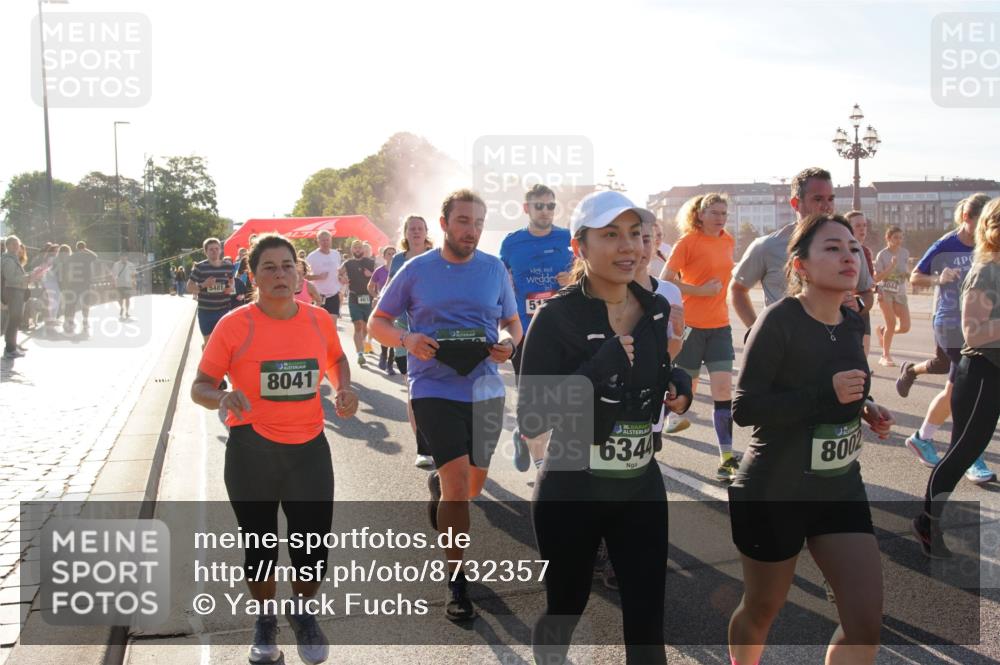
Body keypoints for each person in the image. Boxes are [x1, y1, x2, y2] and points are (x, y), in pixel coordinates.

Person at [517, 190, 692, 664]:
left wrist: (677, 383)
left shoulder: (654, 308)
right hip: (572, 489)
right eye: (610, 235)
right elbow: (531, 416)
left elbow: (655, 373)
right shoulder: (556, 317)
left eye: (635, 234)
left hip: (640, 486)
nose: (627, 246)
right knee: (566, 608)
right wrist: (596, 370)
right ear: (580, 247)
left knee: (647, 624)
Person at [727, 214, 893, 665]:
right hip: (775, 488)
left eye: (854, 248)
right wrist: (827, 393)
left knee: (865, 625)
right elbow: (746, 409)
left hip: (839, 486)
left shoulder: (854, 322)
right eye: (833, 248)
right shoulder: (778, 321)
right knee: (762, 608)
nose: (848, 256)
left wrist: (865, 406)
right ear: (800, 266)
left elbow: (848, 384)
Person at [191, 234, 358, 665]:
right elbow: (200, 386)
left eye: (288, 266)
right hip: (252, 451)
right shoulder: (234, 325)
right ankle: (265, 619)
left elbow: (337, 360)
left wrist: (344, 388)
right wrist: (222, 397)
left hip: (309, 450)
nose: (280, 274)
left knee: (312, 548)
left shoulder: (319, 320)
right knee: (260, 545)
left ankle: (302, 610)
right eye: (269, 267)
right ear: (253, 275)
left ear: (300, 272)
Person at [369, 189, 521, 622]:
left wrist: (509, 344)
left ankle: (440, 485)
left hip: (485, 389)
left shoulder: (494, 269)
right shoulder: (417, 270)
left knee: (470, 487)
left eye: (477, 222)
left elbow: (513, 322)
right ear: (444, 223)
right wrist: (407, 339)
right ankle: (457, 579)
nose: (470, 230)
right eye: (463, 221)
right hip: (433, 388)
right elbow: (379, 324)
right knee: (459, 488)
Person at [913, 197, 1000, 557]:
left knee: (965, 450)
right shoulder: (985, 271)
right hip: (982, 372)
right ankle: (927, 522)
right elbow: (973, 332)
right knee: (964, 452)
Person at [899, 193, 995, 484]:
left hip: (979, 324)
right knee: (959, 384)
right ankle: (969, 455)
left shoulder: (988, 245)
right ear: (967, 218)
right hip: (952, 322)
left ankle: (923, 437)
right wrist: (938, 279)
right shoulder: (946, 244)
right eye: (982, 221)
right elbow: (915, 277)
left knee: (955, 384)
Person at [730, 167, 875, 328]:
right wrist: (756, 331)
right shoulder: (767, 247)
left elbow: (866, 293)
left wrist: (859, 303)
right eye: (818, 199)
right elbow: (738, 290)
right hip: (785, 349)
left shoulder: (849, 246)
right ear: (795, 203)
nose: (826, 206)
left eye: (830, 199)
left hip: (834, 344)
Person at [659, 193, 739, 481]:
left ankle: (727, 458)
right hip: (690, 327)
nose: (720, 218)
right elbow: (666, 279)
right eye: (714, 212)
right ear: (700, 214)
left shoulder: (728, 240)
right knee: (685, 391)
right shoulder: (688, 242)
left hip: (720, 326)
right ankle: (666, 421)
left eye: (724, 213)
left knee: (723, 391)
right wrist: (700, 291)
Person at [499, 183, 574, 472]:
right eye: (540, 206)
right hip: (523, 328)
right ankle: (533, 447)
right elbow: (501, 279)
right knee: (529, 395)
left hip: (560, 329)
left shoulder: (567, 238)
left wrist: (573, 279)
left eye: (551, 205)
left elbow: (588, 275)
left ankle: (528, 436)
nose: (546, 211)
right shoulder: (511, 242)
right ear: (526, 208)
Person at [388, 214, 436, 467]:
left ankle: (444, 442)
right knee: (414, 390)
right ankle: (423, 447)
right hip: (404, 334)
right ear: (405, 233)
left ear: (426, 232)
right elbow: (388, 293)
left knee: (437, 389)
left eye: (420, 228)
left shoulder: (437, 256)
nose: (416, 232)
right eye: (412, 228)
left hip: (435, 333)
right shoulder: (398, 260)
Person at [873, 225, 911, 367]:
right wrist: (891, 266)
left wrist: (910, 275)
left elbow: (905, 271)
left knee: (905, 327)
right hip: (885, 292)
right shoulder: (882, 255)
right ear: (888, 238)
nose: (899, 240)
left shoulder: (905, 253)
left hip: (900, 293)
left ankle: (882, 331)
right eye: (895, 237)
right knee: (892, 323)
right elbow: (877, 279)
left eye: (901, 237)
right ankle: (885, 355)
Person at [187, 238, 235, 345]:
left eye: (216, 249)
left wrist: (231, 288)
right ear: (205, 252)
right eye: (211, 249)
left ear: (221, 250)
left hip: (224, 310)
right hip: (206, 311)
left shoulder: (228, 266)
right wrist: (204, 285)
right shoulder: (200, 267)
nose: (214, 251)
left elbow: (231, 281)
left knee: (223, 343)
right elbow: (189, 287)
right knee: (209, 344)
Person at [339, 240, 376, 366]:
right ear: (352, 250)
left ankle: (363, 341)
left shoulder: (371, 262)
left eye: (359, 247)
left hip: (368, 298)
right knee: (358, 325)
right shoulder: (348, 263)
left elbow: (380, 276)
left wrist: (370, 274)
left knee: (366, 327)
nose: (358, 250)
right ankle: (360, 353)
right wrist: (342, 278)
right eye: (355, 248)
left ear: (363, 250)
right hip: (354, 297)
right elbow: (339, 273)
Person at [846, 211, 876, 356]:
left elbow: (868, 286)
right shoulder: (840, 251)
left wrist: (860, 304)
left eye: (864, 225)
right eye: (857, 225)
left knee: (863, 357)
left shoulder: (865, 252)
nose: (862, 229)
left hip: (861, 308)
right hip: (843, 309)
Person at [368, 246, 397, 375]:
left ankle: (390, 364)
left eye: (393, 254)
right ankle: (384, 355)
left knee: (395, 333)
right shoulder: (379, 271)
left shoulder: (400, 270)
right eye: (389, 254)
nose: (391, 256)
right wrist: (377, 297)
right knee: (386, 331)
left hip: (398, 305)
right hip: (384, 304)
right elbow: (370, 286)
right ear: (384, 256)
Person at [1, 236, 29, 358]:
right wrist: (28, 277)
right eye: (14, 245)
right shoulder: (8, 260)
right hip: (13, 292)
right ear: (8, 246)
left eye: (17, 244)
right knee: (13, 320)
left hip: (16, 292)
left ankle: (12, 345)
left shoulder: (13, 259)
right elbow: (11, 278)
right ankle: (10, 348)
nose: (17, 247)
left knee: (15, 320)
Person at [62, 240, 99, 333]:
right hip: (85, 284)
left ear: (76, 248)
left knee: (72, 304)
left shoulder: (71, 257)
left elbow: (66, 269)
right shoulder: (87, 256)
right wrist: (86, 249)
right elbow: (96, 256)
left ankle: (71, 321)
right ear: (84, 247)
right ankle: (85, 320)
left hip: (73, 284)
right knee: (85, 303)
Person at [305, 230, 341, 324]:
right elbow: (303, 276)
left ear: (331, 240)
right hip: (318, 296)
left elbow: (339, 272)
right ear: (318, 241)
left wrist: (342, 277)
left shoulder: (336, 254)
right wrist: (318, 277)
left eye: (327, 240)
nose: (325, 242)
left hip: (333, 295)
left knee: (332, 325)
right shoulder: (312, 257)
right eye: (323, 240)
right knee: (319, 325)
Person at [111, 252, 137, 320]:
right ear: (120, 257)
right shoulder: (116, 264)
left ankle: (127, 311)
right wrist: (113, 282)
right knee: (119, 298)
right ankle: (122, 308)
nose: (123, 258)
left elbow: (133, 275)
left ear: (127, 257)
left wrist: (134, 282)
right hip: (119, 284)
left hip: (128, 284)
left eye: (124, 256)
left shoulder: (131, 264)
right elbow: (113, 274)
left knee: (127, 299)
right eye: (122, 256)